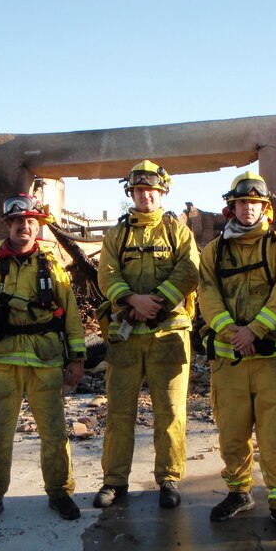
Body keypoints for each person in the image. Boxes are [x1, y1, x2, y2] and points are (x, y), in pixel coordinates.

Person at [0, 194, 87, 529]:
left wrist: (78, 359)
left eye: (30, 221)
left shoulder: (51, 263)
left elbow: (70, 313)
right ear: (8, 226)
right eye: (18, 222)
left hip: (45, 362)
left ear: (37, 224)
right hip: (1, 364)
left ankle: (59, 493)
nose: (24, 227)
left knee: (55, 434)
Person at [198, 171, 276, 539]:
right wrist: (232, 333)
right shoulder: (214, 252)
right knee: (232, 432)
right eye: (243, 203)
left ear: (265, 207)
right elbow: (206, 295)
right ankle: (239, 492)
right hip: (229, 361)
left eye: (255, 203)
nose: (248, 209)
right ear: (233, 207)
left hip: (270, 361)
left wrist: (253, 331)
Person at [94, 160, 199, 509]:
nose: (145, 196)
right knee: (119, 413)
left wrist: (158, 301)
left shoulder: (178, 232)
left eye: (151, 190)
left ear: (162, 192)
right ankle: (114, 482)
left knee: (170, 412)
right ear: (131, 193)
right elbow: (106, 274)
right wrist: (132, 300)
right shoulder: (117, 234)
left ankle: (169, 478)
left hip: (168, 335)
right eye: (139, 191)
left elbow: (190, 269)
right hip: (126, 336)